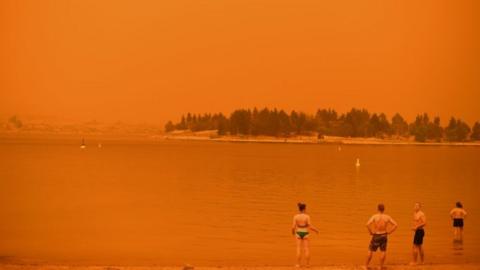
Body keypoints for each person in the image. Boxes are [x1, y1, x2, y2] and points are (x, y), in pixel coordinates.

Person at [365, 203, 398, 269]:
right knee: (383, 251)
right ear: (384, 209)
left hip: (376, 235)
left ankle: (366, 266)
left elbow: (367, 224)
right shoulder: (387, 217)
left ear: (377, 209)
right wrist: (389, 232)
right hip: (384, 235)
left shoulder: (374, 216)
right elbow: (395, 225)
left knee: (370, 250)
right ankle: (380, 266)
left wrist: (370, 232)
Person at [292, 202, 319, 268]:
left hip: (298, 232)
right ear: (304, 209)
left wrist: (292, 232)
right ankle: (307, 264)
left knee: (298, 248)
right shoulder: (307, 216)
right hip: (305, 232)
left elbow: (293, 227)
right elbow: (310, 227)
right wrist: (316, 230)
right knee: (306, 249)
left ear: (299, 209)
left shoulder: (295, 216)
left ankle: (298, 264)